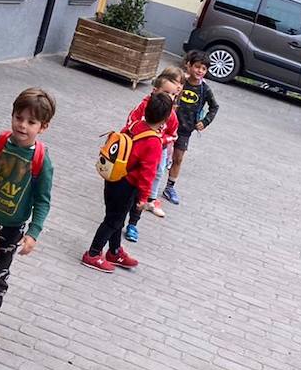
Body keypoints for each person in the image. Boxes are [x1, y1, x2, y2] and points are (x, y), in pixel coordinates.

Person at [0, 87, 55, 350]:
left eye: (31, 122)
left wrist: (33, 233)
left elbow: (43, 201)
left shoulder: (42, 161)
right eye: (18, 118)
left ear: (43, 127)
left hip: (10, 229)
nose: (22, 125)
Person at [82, 92, 174, 274]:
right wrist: (144, 197)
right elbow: (148, 172)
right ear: (166, 118)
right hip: (127, 186)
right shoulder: (154, 141)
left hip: (113, 178)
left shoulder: (135, 125)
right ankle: (93, 254)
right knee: (113, 220)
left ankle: (114, 252)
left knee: (116, 218)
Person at [124, 68, 182, 243]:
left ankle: (133, 223)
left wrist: (159, 139)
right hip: (136, 151)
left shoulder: (171, 115)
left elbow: (174, 134)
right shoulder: (143, 106)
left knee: (147, 182)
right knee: (128, 185)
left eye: (173, 95)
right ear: (155, 90)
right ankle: (120, 214)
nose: (170, 97)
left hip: (157, 151)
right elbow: (130, 123)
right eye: (166, 92)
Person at [162, 50, 219, 206]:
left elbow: (214, 107)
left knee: (178, 158)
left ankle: (169, 187)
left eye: (204, 69)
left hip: (186, 129)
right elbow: (163, 91)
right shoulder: (180, 81)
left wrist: (205, 121)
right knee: (157, 155)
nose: (200, 71)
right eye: (197, 67)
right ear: (189, 65)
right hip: (167, 126)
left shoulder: (205, 89)